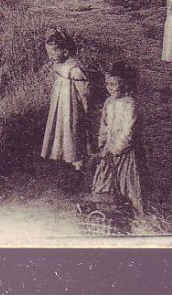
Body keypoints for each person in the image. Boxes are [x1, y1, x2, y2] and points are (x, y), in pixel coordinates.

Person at [90, 62, 145, 213]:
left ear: (126, 84)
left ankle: (134, 213)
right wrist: (103, 144)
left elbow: (129, 131)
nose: (109, 87)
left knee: (127, 183)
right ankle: (110, 212)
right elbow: (105, 125)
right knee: (106, 180)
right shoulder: (109, 102)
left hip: (126, 152)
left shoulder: (130, 104)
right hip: (109, 150)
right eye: (107, 84)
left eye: (114, 84)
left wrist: (117, 148)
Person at [39, 30, 91, 171]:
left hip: (71, 106)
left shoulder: (75, 69)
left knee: (72, 130)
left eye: (53, 53)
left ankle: (76, 163)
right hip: (60, 104)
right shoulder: (60, 67)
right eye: (49, 53)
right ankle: (61, 158)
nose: (50, 57)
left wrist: (85, 107)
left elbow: (84, 91)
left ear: (66, 52)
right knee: (59, 129)